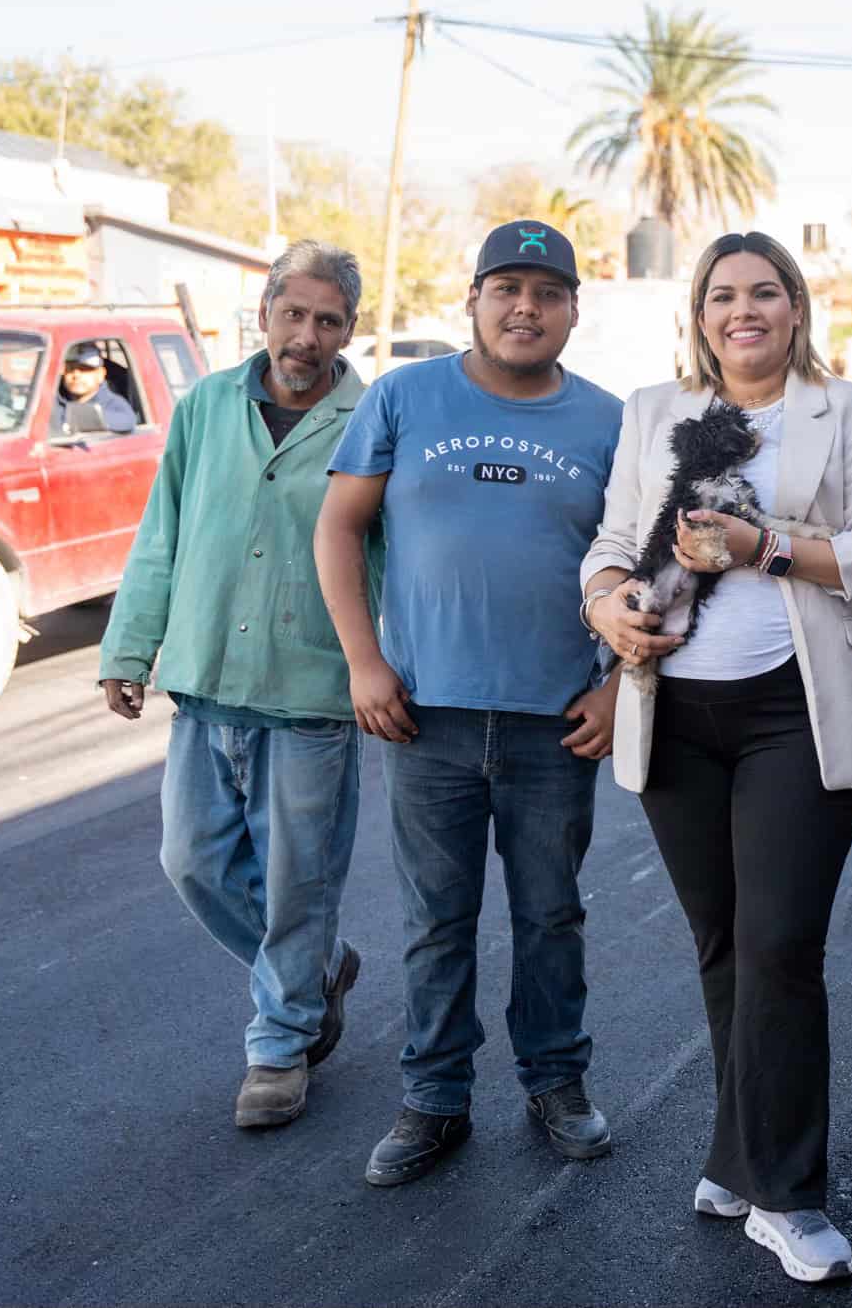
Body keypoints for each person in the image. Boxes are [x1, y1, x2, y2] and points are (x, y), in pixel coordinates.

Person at [580, 230, 852, 1284]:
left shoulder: (846, 410)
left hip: (793, 715)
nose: (743, 311)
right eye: (722, 295)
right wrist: (610, 612)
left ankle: (787, 1193)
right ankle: (739, 1149)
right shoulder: (653, 414)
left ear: (795, 306)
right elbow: (606, 545)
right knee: (723, 944)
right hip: (675, 712)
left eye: (763, 292)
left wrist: (760, 545)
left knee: (778, 946)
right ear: (698, 312)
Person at [314, 220, 622, 1189]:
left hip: (554, 722)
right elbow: (337, 529)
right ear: (473, 301)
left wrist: (623, 688)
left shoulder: (609, 422)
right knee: (435, 922)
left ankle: (553, 1084)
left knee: (550, 917)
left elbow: (654, 570)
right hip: (425, 716)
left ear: (572, 309)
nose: (524, 307)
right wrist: (363, 663)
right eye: (505, 288)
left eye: (546, 291)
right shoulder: (404, 396)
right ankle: (434, 1101)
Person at [97, 240, 372, 1130]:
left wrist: (391, 668)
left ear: (347, 330)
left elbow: (393, 556)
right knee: (192, 859)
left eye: (327, 320)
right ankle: (314, 969)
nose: (306, 335)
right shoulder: (208, 405)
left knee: (297, 880)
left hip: (313, 689)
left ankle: (280, 1044)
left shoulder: (372, 420)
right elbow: (162, 533)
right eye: (293, 314)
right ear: (265, 315)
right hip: (207, 674)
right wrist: (128, 648)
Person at [52, 340, 139, 435]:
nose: (76, 375)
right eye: (70, 369)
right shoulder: (50, 401)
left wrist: (80, 419)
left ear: (100, 374)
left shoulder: (114, 405)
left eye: (85, 369)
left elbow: (126, 421)